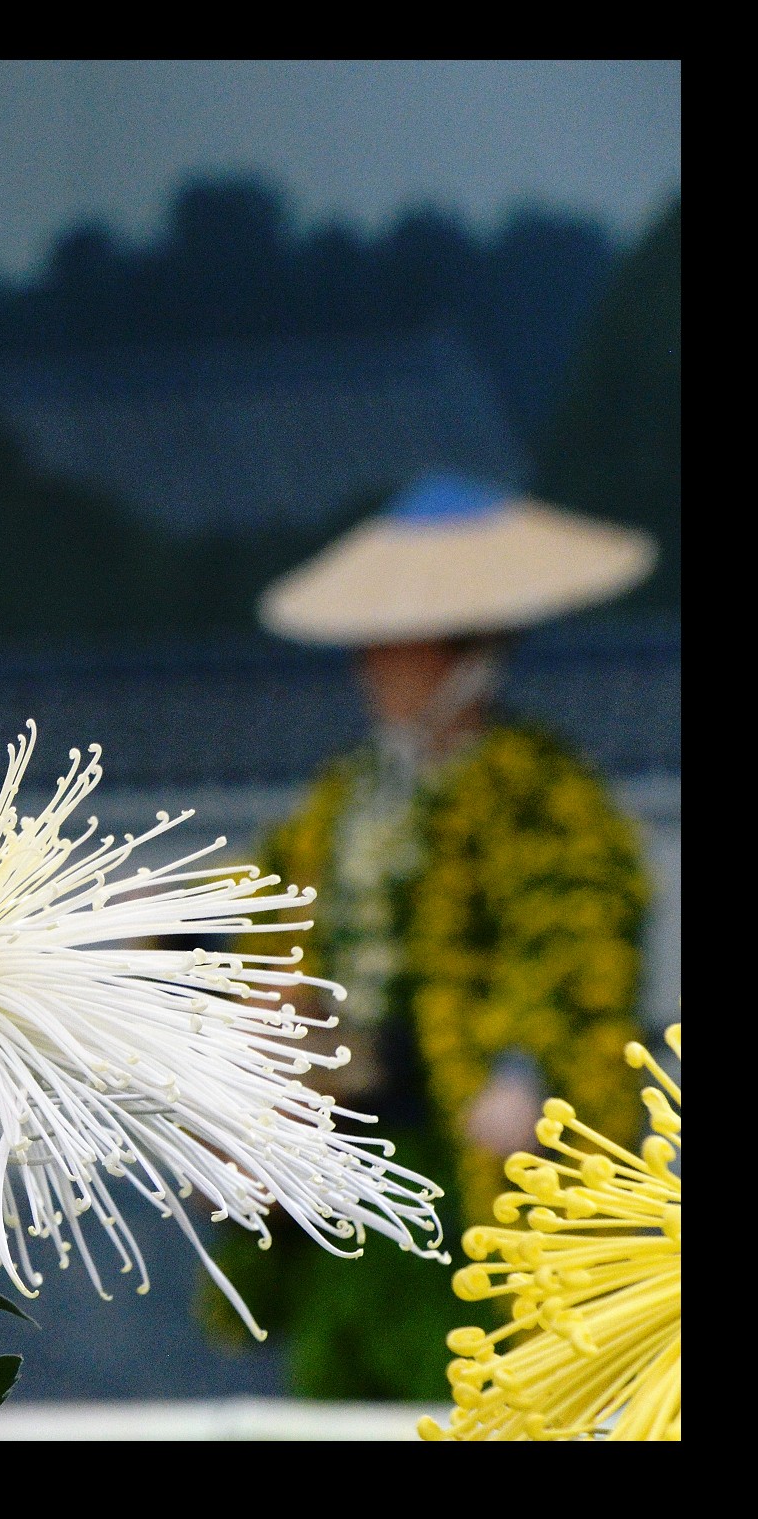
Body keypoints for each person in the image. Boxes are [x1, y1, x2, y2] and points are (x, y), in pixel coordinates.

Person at [206, 472, 658, 1400]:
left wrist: (526, 1068)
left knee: (468, 1375)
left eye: (395, 645)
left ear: (464, 652)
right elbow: (268, 910)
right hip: (349, 1150)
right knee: (336, 1374)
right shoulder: (347, 794)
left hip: (468, 1158)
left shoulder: (539, 792)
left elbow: (578, 944)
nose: (374, 667)